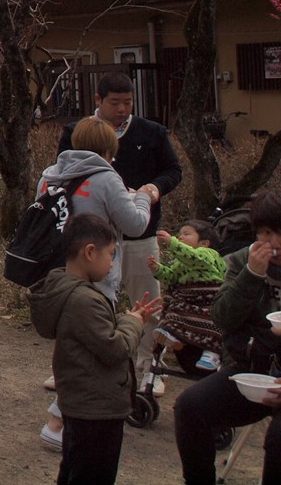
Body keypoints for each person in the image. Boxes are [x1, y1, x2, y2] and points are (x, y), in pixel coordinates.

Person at [36, 116, 158, 447]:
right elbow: (135, 225)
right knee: (94, 354)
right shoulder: (106, 178)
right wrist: (145, 196)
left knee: (69, 349)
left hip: (58, 276)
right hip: (95, 276)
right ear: (108, 149)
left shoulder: (50, 176)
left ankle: (61, 422)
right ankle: (58, 423)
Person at [58, 71, 182, 394]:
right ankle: (74, 368)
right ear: (98, 101)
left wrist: (154, 188)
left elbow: (173, 170)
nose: (123, 109)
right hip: (91, 243)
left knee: (148, 300)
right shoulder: (77, 132)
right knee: (88, 304)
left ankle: (151, 367)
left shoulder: (151, 132)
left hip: (140, 233)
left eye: (128, 102)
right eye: (115, 103)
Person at [29, 214, 161, 485]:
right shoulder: (84, 300)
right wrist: (133, 323)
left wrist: (128, 319)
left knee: (74, 469)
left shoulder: (64, 287)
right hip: (97, 409)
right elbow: (115, 348)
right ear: (90, 252)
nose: (112, 263)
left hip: (79, 404)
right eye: (111, 255)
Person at [175, 189, 281, 484]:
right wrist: (252, 275)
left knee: (278, 440)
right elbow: (222, 318)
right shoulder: (240, 261)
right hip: (251, 374)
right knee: (190, 407)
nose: (274, 243)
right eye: (266, 233)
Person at [148, 220, 227, 371]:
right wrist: (157, 269)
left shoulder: (208, 254)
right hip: (188, 300)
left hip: (208, 299)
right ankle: (173, 334)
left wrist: (172, 243)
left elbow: (194, 258)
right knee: (174, 308)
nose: (180, 237)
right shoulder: (180, 261)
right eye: (179, 235)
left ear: (204, 243)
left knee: (213, 322)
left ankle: (212, 352)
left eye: (186, 234)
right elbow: (172, 277)